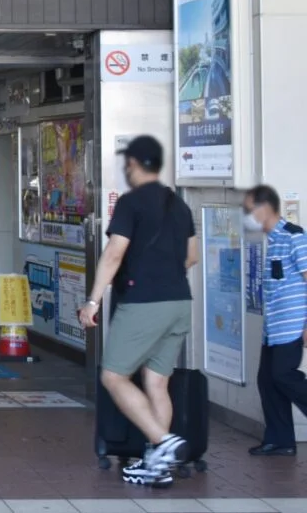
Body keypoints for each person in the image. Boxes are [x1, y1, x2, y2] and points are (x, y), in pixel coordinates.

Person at [79, 135, 197, 487]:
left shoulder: (131, 204)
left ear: (132, 165)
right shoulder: (179, 204)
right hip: (180, 301)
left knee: (113, 377)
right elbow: (192, 256)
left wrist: (93, 301)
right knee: (157, 383)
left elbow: (114, 254)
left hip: (144, 303)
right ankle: (157, 465)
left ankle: (163, 443)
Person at [244, 185, 307, 457]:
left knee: (283, 375)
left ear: (264, 208)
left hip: (292, 324)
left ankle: (281, 439)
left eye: (248, 209)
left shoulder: (294, 237)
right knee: (267, 380)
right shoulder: (271, 241)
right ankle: (281, 440)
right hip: (273, 328)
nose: (246, 216)